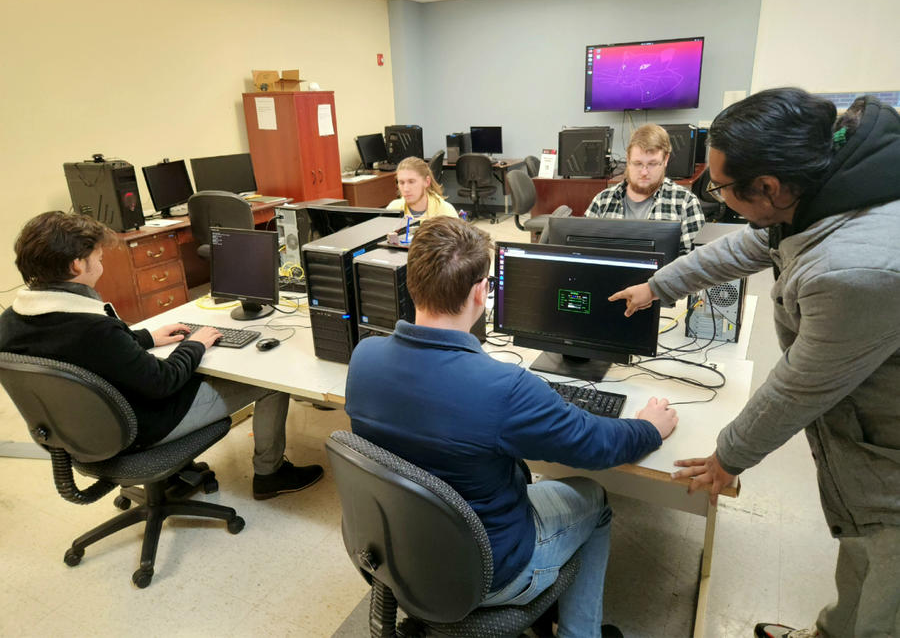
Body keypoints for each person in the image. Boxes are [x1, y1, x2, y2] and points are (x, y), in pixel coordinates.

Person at [608, 89, 900, 638]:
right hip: (871, 438)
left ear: (766, 187)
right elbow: (743, 247)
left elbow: (799, 387)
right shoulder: (825, 190)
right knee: (862, 557)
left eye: (720, 187)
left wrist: (728, 456)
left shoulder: (855, 267)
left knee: (889, 596)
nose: (715, 196)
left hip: (891, 456)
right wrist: (656, 287)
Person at [345, 216, 678, 637]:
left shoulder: (365, 358)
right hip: (490, 569)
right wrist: (648, 427)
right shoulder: (504, 387)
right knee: (595, 498)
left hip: (401, 551)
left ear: (411, 282)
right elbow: (598, 446)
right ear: (482, 292)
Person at [0, 211, 323, 500]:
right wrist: (195, 344)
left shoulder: (13, 321)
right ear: (77, 265)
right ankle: (270, 474)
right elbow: (163, 382)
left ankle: (182, 474)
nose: (101, 265)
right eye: (98, 258)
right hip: (140, 427)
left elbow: (87, 352)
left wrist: (145, 337)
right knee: (270, 380)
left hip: (80, 428)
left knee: (204, 368)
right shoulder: (91, 328)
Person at [584, 123, 705, 255]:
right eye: (637, 164)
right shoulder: (603, 201)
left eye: (652, 164)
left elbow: (695, 263)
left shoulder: (685, 202)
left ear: (665, 159)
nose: (644, 172)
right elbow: (581, 251)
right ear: (628, 159)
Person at [386, 156, 458, 219]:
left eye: (411, 182)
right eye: (401, 183)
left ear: (427, 182)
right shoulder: (393, 209)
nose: (406, 189)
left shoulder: (446, 213)